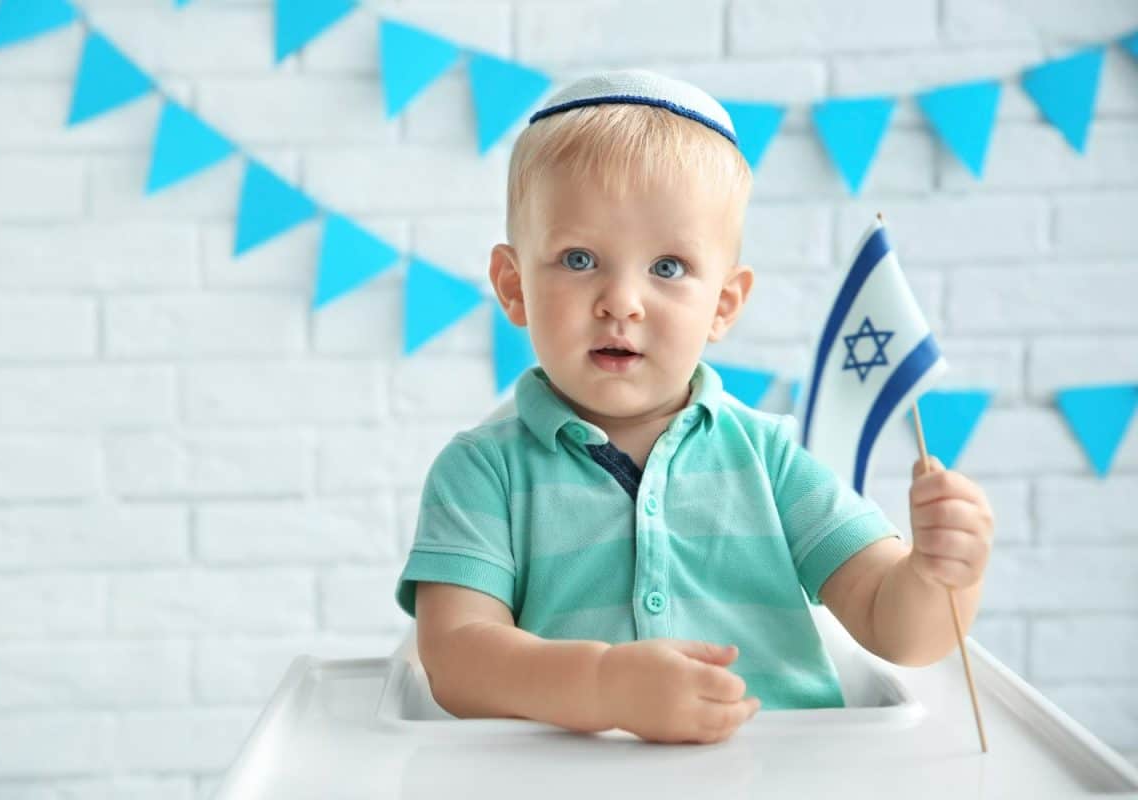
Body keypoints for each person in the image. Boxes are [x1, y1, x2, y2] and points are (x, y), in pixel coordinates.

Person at [392, 69, 995, 745]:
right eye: (580, 257)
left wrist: (943, 575)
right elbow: (455, 659)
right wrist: (604, 685)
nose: (622, 300)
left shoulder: (777, 459)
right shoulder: (482, 471)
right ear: (514, 286)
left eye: (669, 267)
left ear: (724, 305)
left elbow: (896, 628)